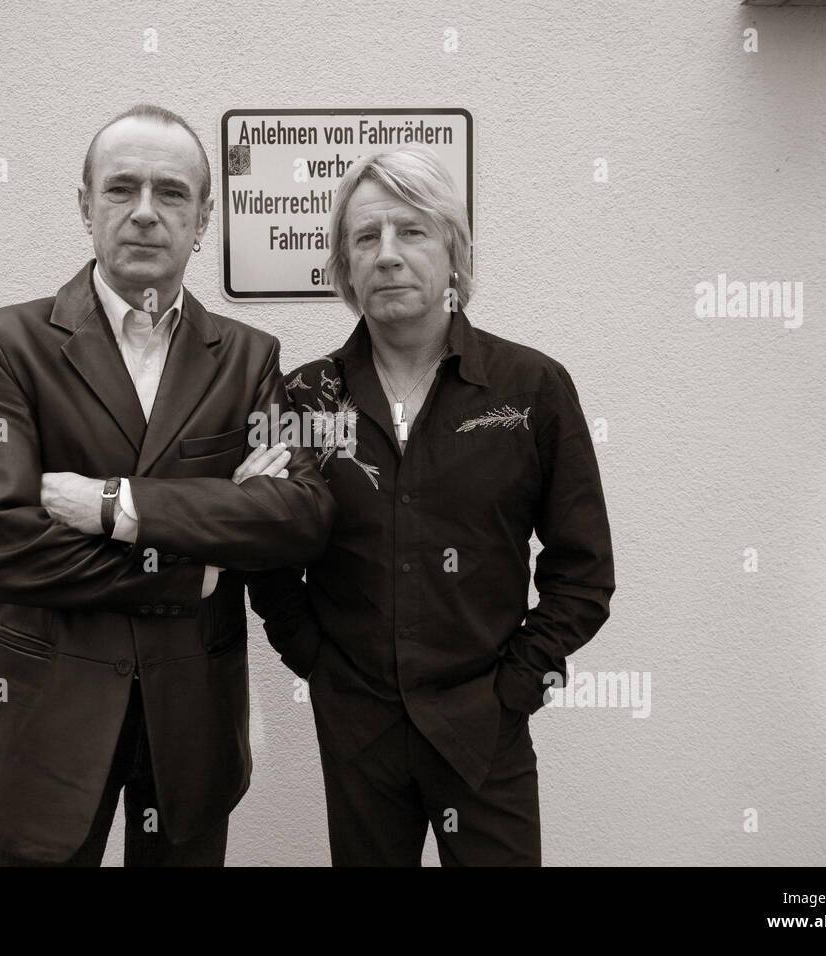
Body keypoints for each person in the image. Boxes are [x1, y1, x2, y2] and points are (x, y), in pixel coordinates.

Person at [0, 103, 334, 866]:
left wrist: (114, 508)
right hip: (46, 727)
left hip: (191, 721)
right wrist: (198, 559)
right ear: (86, 206)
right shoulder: (6, 346)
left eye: (171, 193)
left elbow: (295, 516)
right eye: (121, 189)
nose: (144, 213)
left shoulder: (250, 358)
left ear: (203, 220)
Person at [248, 144, 615, 866]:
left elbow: (584, 573)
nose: (388, 255)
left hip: (487, 731)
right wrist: (315, 660)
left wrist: (514, 689)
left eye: (412, 231)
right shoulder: (301, 399)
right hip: (358, 735)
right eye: (365, 237)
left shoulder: (532, 389)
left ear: (455, 253)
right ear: (344, 269)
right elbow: (264, 554)